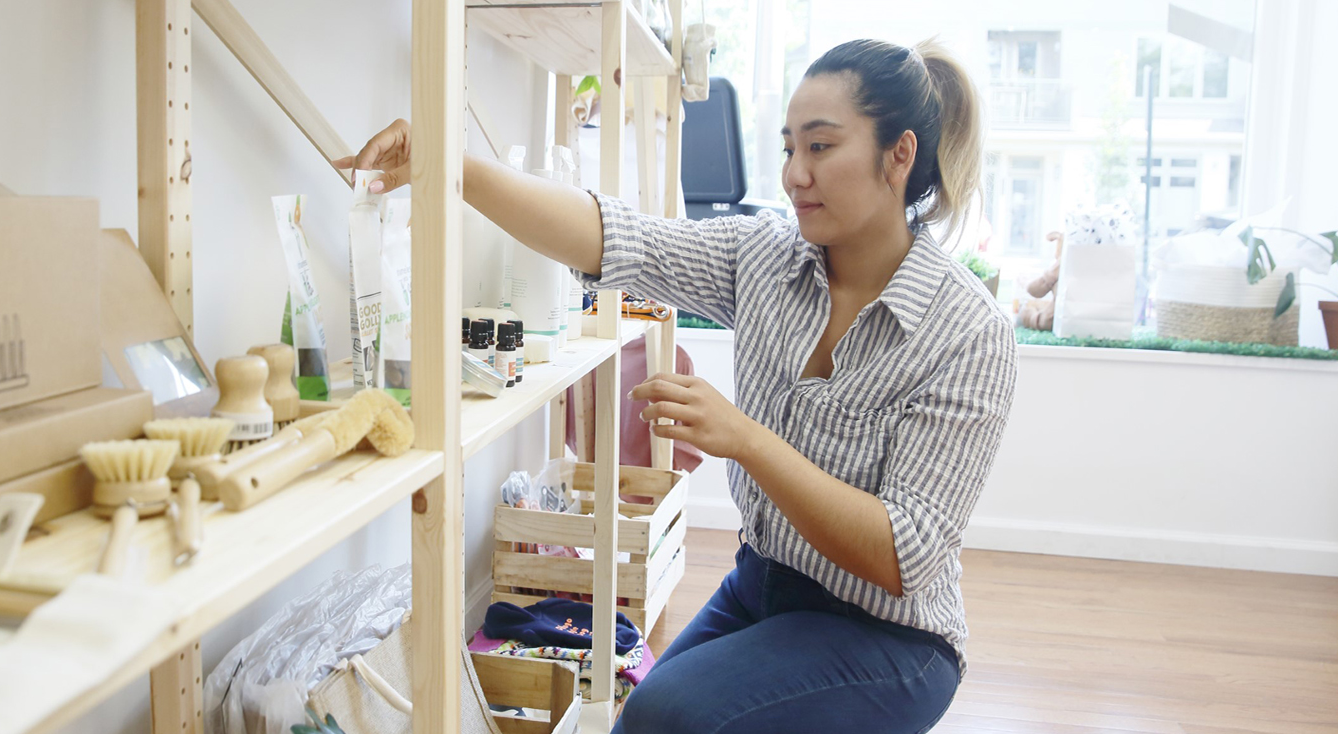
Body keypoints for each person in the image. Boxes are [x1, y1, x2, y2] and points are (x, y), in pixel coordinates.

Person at [338, 38, 1018, 734]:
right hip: (765, 585)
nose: (794, 175)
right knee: (647, 720)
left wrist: (745, 440)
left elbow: (902, 555)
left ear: (898, 155)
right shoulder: (768, 258)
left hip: (891, 636)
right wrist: (446, 165)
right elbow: (617, 237)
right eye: (789, 149)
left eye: (820, 148)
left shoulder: (969, 332)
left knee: (667, 714)